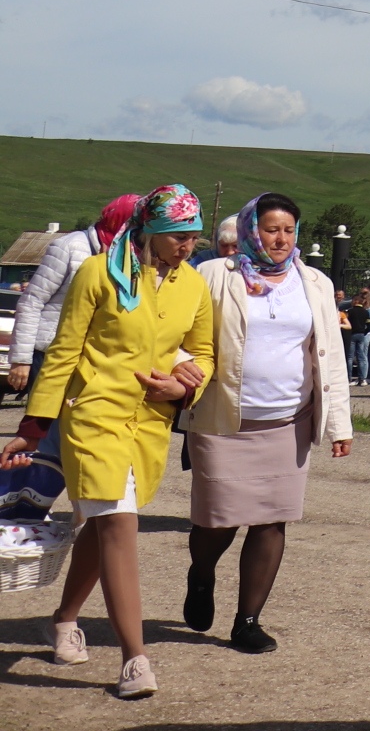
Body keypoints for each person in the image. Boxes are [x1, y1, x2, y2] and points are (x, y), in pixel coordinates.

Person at [1, 184, 213, 700]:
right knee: (120, 526)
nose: (187, 245)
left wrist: (185, 384)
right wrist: (33, 425)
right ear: (148, 231)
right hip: (92, 418)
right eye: (176, 235)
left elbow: (205, 352)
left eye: (192, 235)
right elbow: (66, 351)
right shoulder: (99, 273)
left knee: (101, 528)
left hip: (150, 425)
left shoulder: (194, 286)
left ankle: (63, 618)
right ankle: (135, 660)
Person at [184, 193, 355, 652]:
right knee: (217, 519)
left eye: (288, 230)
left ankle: (248, 620)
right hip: (223, 420)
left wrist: (340, 423)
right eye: (271, 228)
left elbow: (330, 356)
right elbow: (183, 334)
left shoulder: (314, 281)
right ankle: (201, 576)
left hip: (288, 422)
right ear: (249, 229)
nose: (280, 239)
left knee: (272, 521)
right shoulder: (213, 275)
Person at [7, 196, 142, 404]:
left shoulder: (132, 254)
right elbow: (31, 302)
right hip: (50, 353)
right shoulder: (69, 247)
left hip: (93, 355)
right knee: (47, 425)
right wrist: (21, 360)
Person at [342, 290, 370, 386]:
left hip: (352, 335)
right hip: (361, 335)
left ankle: (348, 378)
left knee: (350, 357)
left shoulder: (350, 312)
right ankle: (362, 379)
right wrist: (364, 332)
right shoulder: (366, 313)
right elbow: (369, 326)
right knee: (361, 357)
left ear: (355, 301)